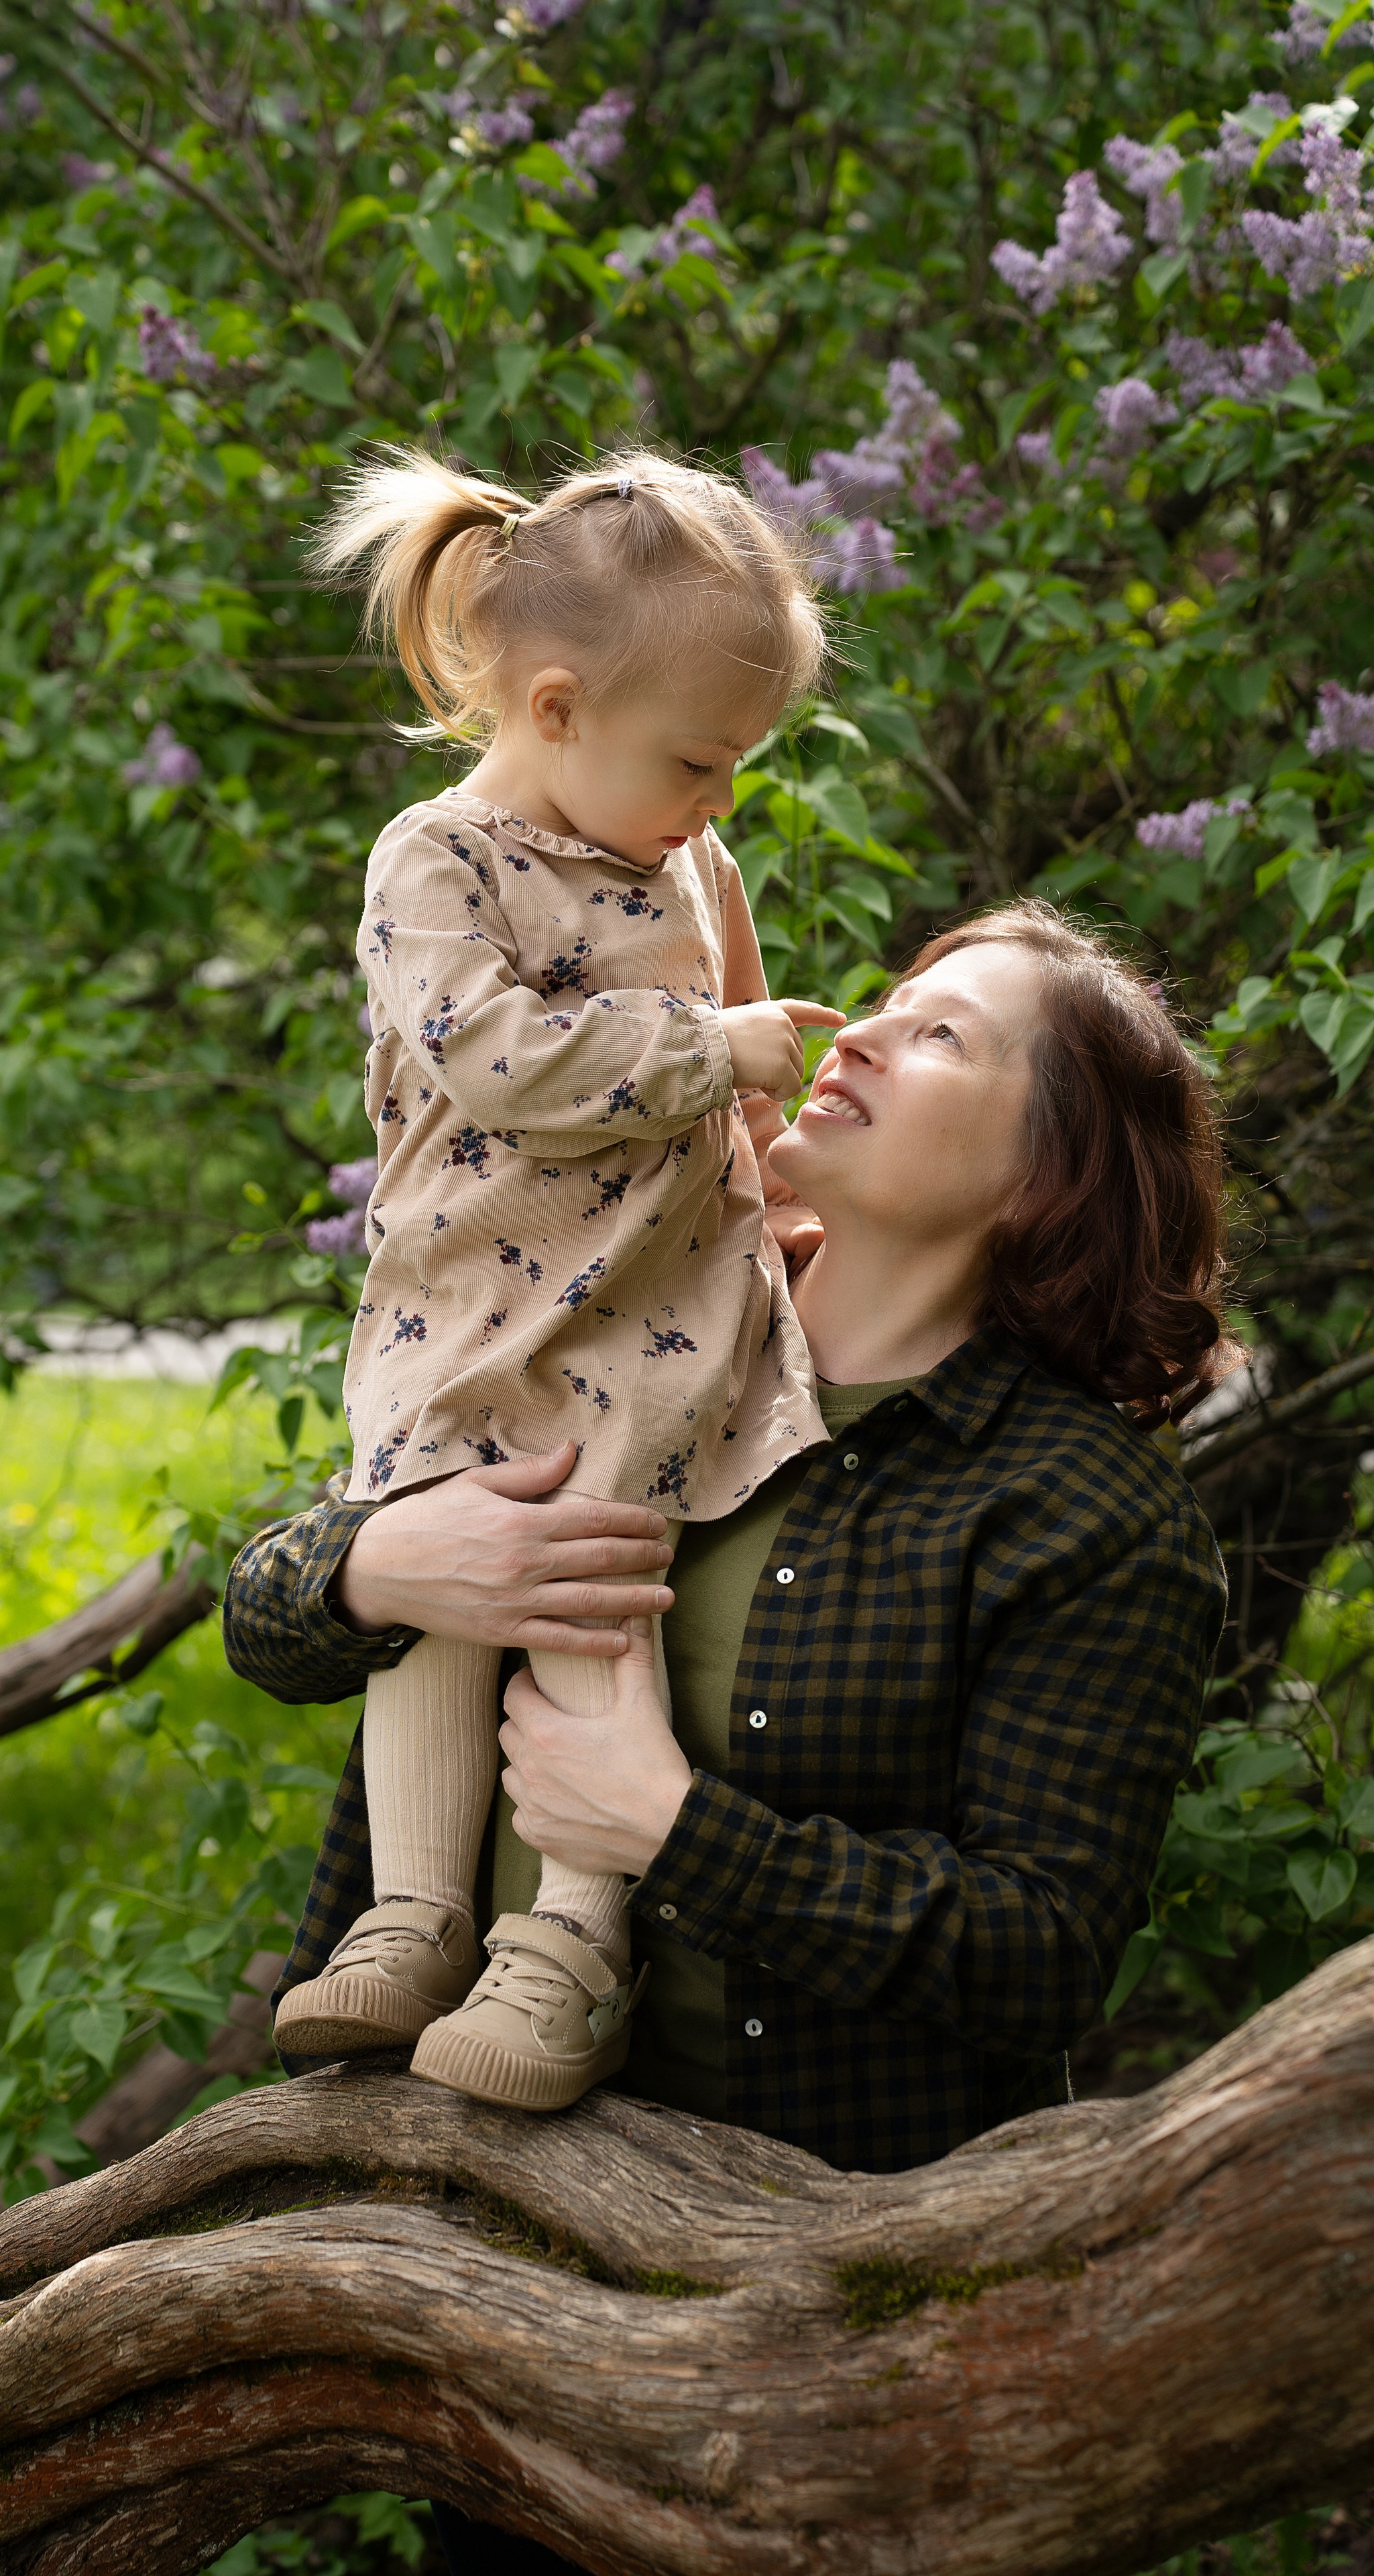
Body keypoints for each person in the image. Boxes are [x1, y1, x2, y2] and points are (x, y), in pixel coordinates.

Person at [225, 901, 1234, 2576]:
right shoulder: (632, 1317)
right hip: (482, 2254)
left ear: (1040, 1175)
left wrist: (667, 1826)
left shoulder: (1077, 1513)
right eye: (887, 1006)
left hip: (812, 2299)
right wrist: (378, 1561)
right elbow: (270, 1622)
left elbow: (1036, 1956)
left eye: (941, 1037)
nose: (856, 1035)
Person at [270, 447, 844, 2112]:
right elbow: (502, 1058)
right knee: (435, 1605)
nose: (715, 801)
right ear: (554, 704)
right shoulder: (431, 862)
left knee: (597, 1589)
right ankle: (408, 1918)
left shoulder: (691, 867)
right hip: (464, 1306)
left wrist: (770, 1192)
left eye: (734, 768)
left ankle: (564, 1952)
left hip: (644, 1319)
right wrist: (709, 1044)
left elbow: (742, 1094)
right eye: (697, 761)